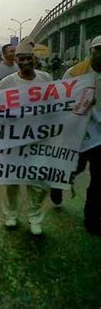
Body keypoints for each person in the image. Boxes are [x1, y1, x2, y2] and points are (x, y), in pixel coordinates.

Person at [0, 37, 53, 236]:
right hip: (13, 140)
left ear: (34, 59)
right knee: (11, 180)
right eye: (21, 59)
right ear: (16, 61)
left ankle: (35, 218)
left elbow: (56, 105)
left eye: (29, 58)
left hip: (40, 138)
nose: (25, 62)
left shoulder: (46, 79)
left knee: (38, 182)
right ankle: (10, 215)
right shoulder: (6, 83)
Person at [62, 35, 101, 235]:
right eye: (98, 50)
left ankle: (92, 217)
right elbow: (60, 98)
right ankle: (58, 184)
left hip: (100, 135)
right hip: (79, 131)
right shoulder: (75, 72)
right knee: (73, 167)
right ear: (91, 52)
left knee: (98, 177)